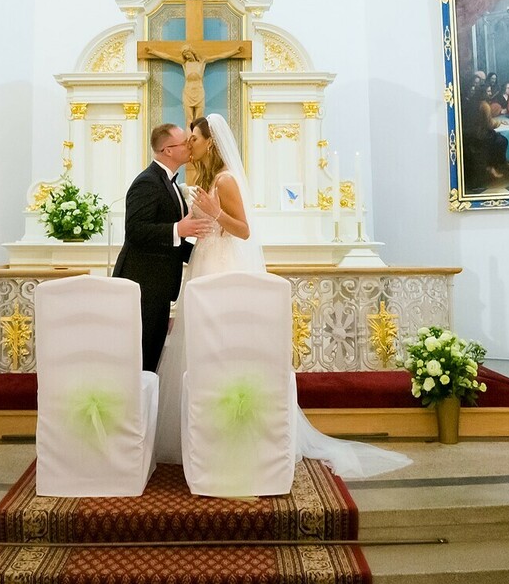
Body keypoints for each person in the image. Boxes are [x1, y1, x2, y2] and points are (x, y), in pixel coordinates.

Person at [157, 114, 411, 480]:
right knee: (202, 346)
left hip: (224, 267)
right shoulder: (208, 179)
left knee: (228, 347)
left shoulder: (225, 179)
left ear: (210, 142)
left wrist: (214, 213)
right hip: (206, 262)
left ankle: (239, 430)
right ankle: (204, 433)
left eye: (194, 137)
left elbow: (243, 231)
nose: (191, 144)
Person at [111, 123, 214, 372]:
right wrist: (178, 229)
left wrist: (208, 255)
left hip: (157, 286)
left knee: (152, 355)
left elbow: (172, 242)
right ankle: (138, 410)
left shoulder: (170, 183)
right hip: (143, 284)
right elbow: (135, 231)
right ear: (167, 150)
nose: (189, 146)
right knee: (142, 356)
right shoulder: (147, 182)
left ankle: (146, 409)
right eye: (183, 143)